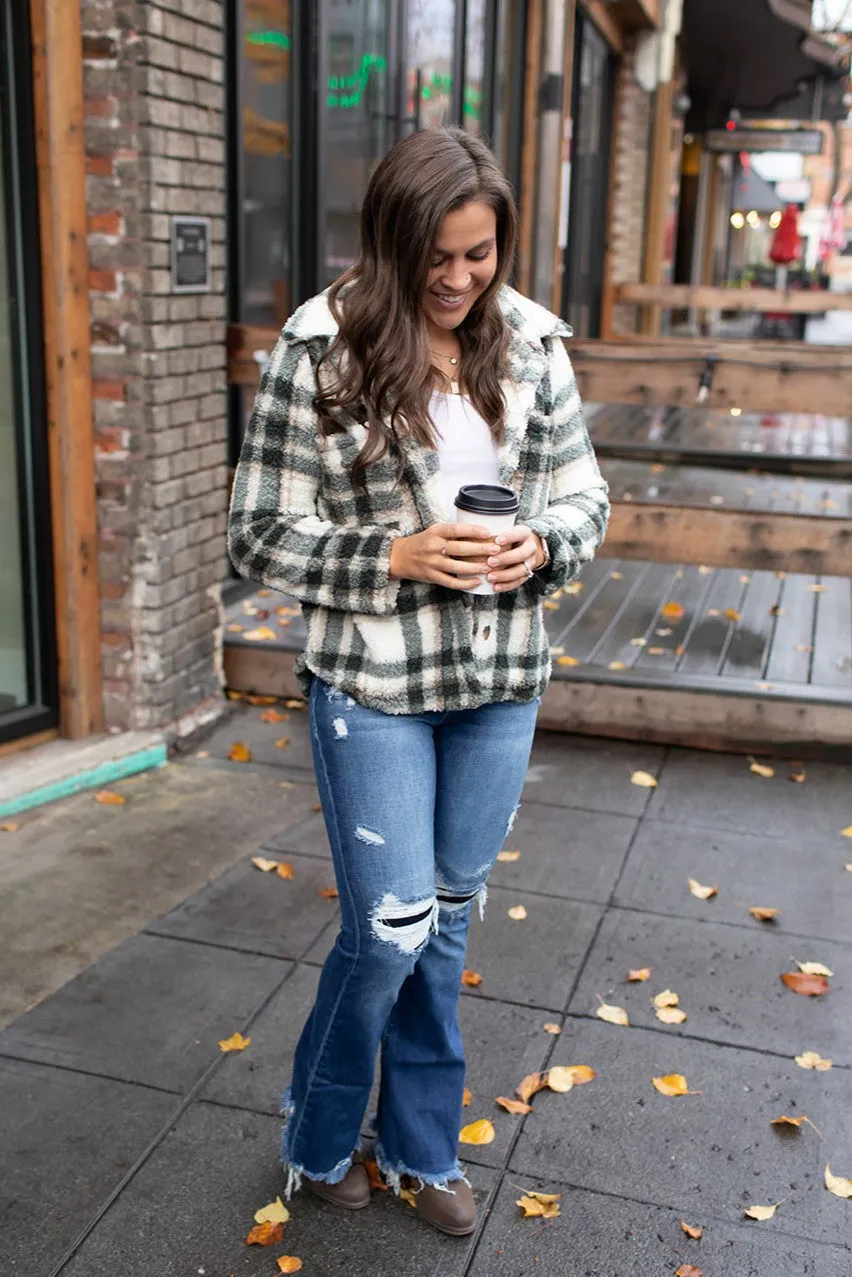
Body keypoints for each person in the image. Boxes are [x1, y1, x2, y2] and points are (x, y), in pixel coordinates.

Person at [227, 125, 609, 1237]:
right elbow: (256, 531)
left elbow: (584, 495)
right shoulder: (321, 345)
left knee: (445, 925)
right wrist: (395, 552)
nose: (457, 279)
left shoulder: (533, 341)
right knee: (387, 928)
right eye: (436, 257)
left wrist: (542, 544)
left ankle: (421, 1145)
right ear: (394, 244)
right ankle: (318, 1128)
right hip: (373, 679)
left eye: (479, 254)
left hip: (500, 677)